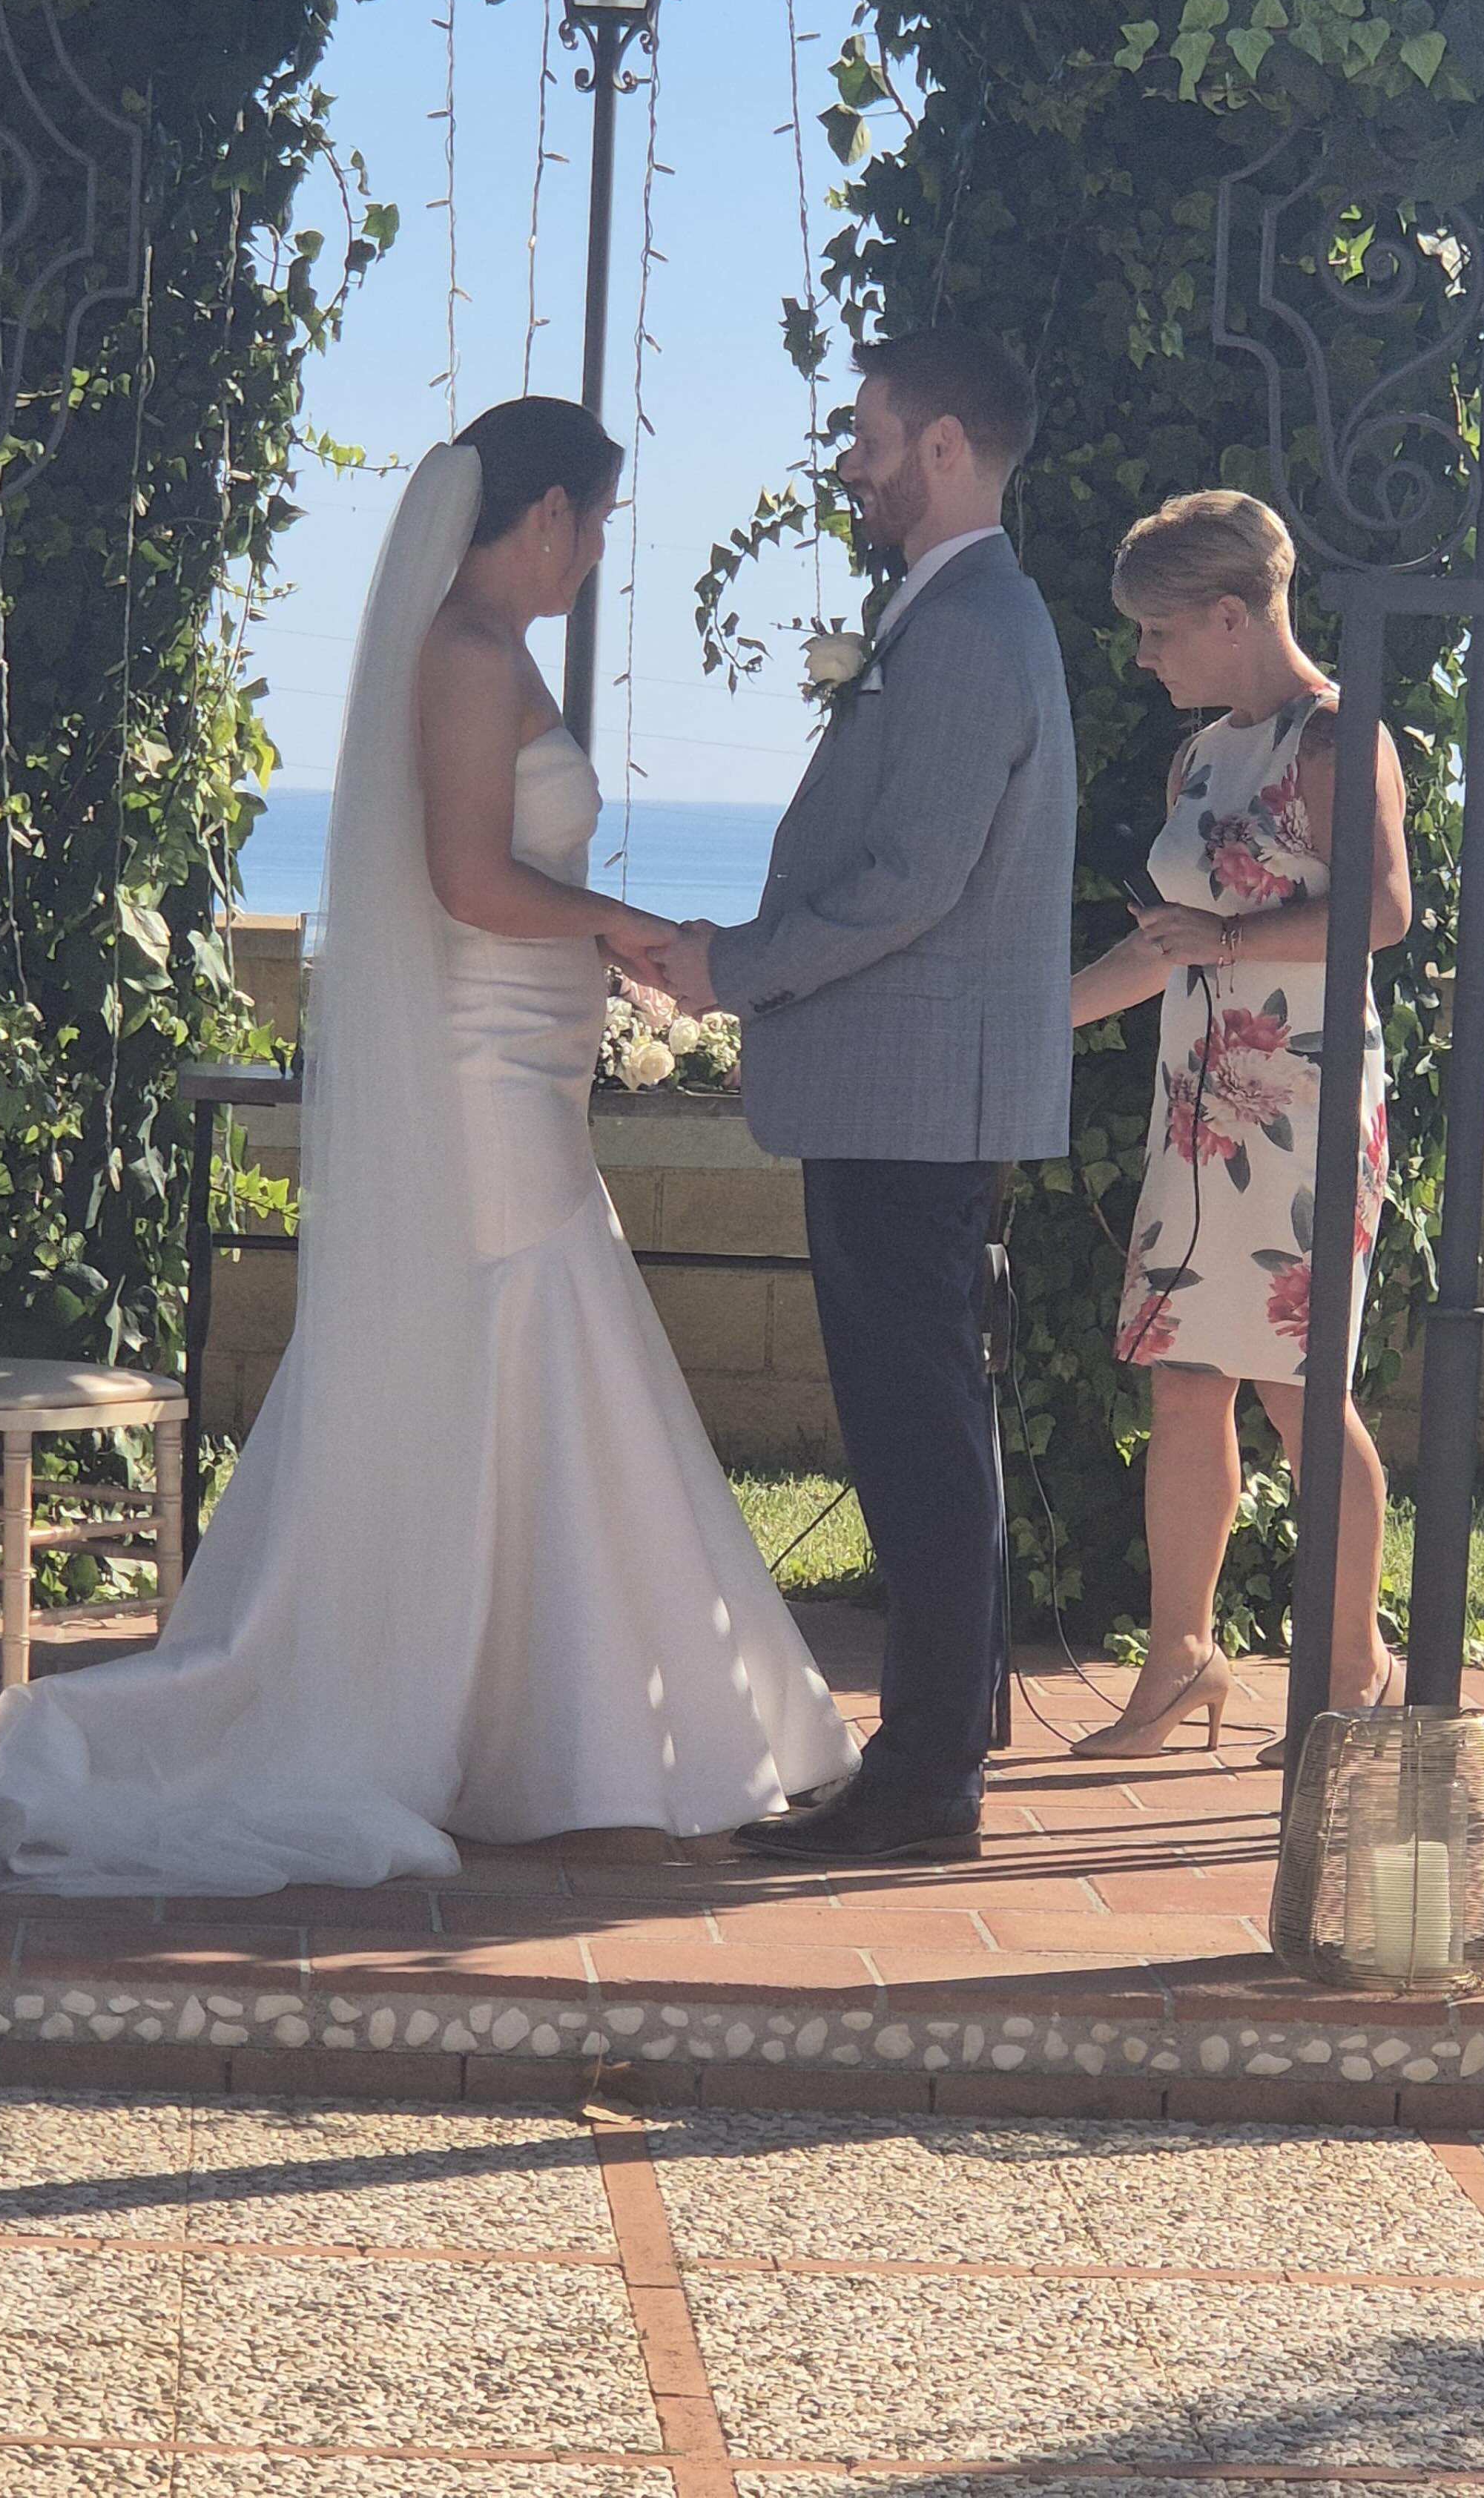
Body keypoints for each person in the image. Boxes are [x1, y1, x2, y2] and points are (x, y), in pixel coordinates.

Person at [0, 402, 855, 1894]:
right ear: (541, 519)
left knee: (522, 1335)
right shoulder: (464, 654)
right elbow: (467, 879)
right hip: (482, 1064)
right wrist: (620, 921)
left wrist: (600, 936)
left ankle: (544, 1727)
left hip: (521, 1053)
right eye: (593, 526)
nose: (592, 556)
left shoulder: (485, 648)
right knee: (534, 1319)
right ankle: (557, 1739)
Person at [658, 329, 1077, 1864]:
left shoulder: (968, 631)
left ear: (947, 449)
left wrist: (736, 966)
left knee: (916, 1432)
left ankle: (925, 1781)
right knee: (921, 1424)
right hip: (907, 1095)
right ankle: (937, 1743)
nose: (850, 461)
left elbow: (910, 876)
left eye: (870, 436)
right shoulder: (954, 616)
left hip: (914, 1101)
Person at [1067, 490, 1410, 1765]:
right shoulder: (1200, 757)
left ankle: (1349, 1668)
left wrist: (1226, 942)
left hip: (1305, 1108)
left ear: (1228, 614)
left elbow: (1378, 912)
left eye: (1159, 633)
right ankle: (1182, 1661)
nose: (1147, 657)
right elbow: (1164, 951)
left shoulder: (1336, 735)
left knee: (1298, 1391)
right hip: (1195, 1111)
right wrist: (1041, 1019)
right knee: (1184, 1380)